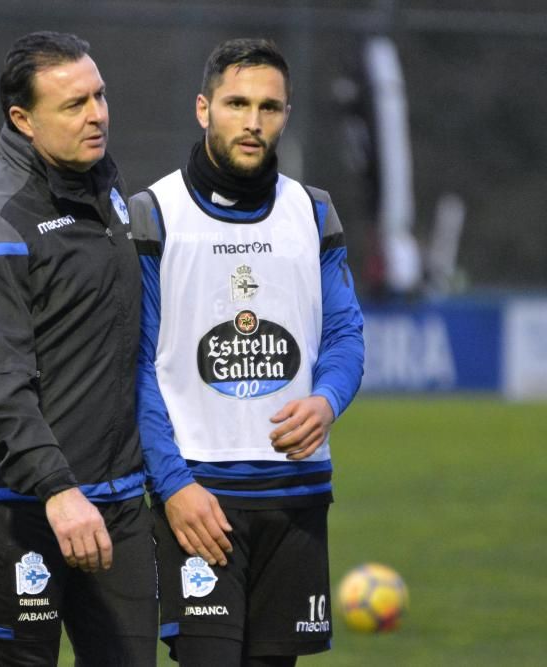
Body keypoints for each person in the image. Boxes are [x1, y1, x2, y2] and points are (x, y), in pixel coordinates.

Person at [129, 38, 365, 666]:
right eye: (237, 103)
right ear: (203, 109)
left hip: (297, 496)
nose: (254, 122)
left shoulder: (313, 213)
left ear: (286, 114)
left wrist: (327, 400)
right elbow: (136, 366)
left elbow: (344, 335)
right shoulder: (154, 215)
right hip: (200, 499)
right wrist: (173, 485)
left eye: (270, 107)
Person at [0, 31, 157, 666]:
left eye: (100, 96)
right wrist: (58, 491)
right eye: (73, 104)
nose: (97, 115)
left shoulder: (108, 192)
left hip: (114, 496)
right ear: (22, 119)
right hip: (18, 501)